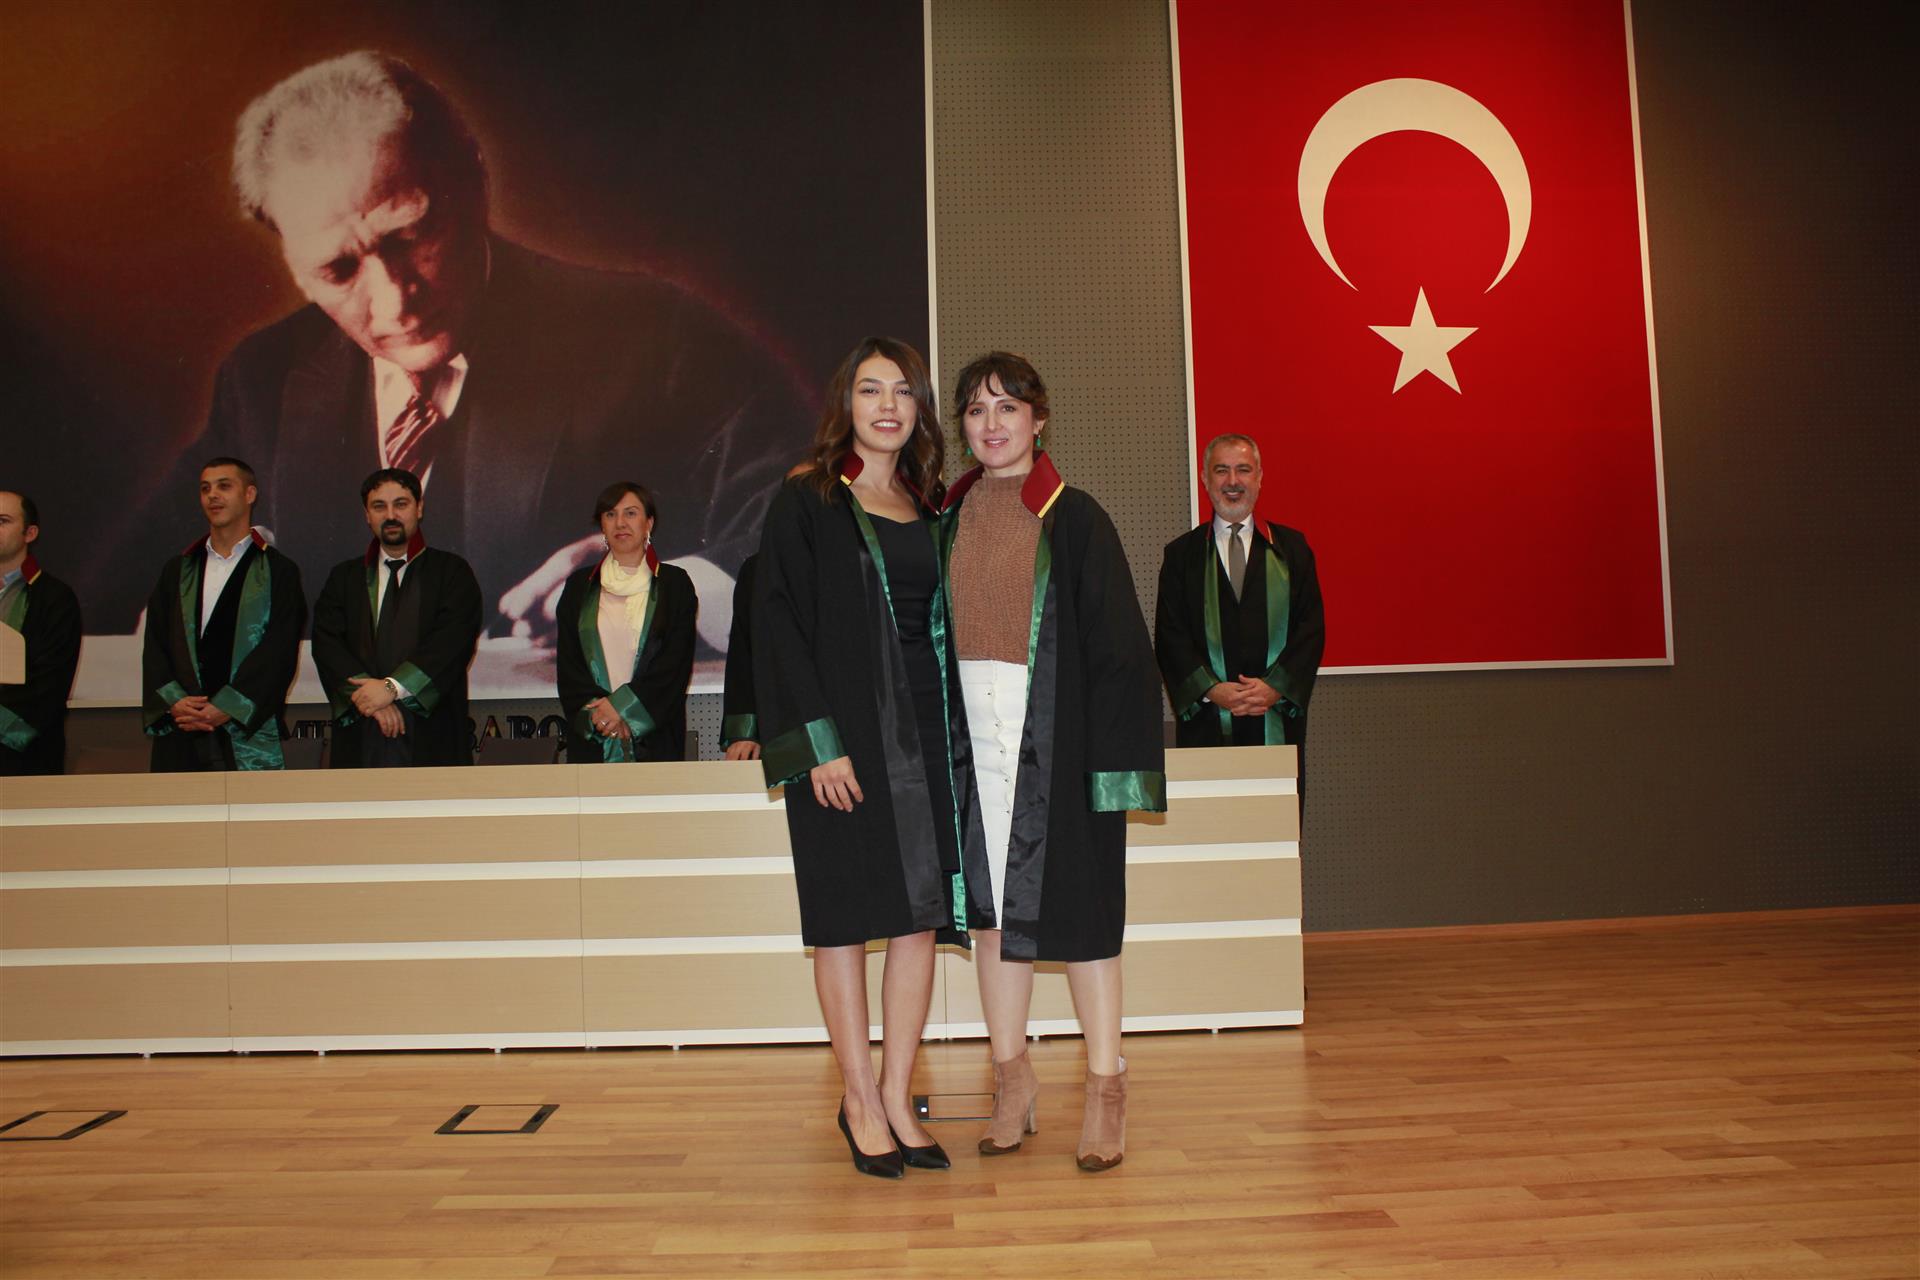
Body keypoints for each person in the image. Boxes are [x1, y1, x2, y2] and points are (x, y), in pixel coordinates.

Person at [102, 51, 802, 654]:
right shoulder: (262, 377)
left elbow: (808, 518)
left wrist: (672, 591)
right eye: (338, 270)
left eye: (410, 234)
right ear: (291, 263)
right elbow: (119, 594)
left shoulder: (658, 335)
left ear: (473, 178)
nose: (394, 301)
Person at [753, 337, 989, 1178]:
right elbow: (777, 625)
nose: (887, 405)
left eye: (901, 391)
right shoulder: (808, 498)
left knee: (919, 917)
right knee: (847, 922)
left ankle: (895, 1093)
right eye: (869, 389)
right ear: (844, 404)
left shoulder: (930, 505)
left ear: (919, 408)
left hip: (927, 735)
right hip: (843, 744)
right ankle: (857, 1099)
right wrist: (819, 744)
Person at [939, 351, 1166, 1172]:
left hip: (1057, 748)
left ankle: (1107, 1089)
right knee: (992, 921)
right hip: (972, 749)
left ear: (1039, 420)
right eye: (976, 410)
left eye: (1008, 407)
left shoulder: (1077, 520)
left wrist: (1114, 774)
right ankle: (1013, 1083)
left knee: (1086, 923)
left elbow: (1121, 655)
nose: (991, 423)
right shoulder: (944, 519)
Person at [1154, 432, 1325, 794]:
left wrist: (1276, 687)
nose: (1232, 481)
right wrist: (1212, 690)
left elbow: (1310, 630)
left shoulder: (1292, 550)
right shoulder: (1181, 556)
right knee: (1212, 820)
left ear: (1259, 478)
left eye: (1243, 470)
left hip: (1275, 718)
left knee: (1274, 820)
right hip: (1206, 723)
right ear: (1205, 479)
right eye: (1222, 470)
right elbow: (1170, 637)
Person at [140, 459, 306, 771]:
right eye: (205, 489)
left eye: (224, 486)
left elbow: (279, 650)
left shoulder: (277, 571)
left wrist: (229, 706)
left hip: (245, 730)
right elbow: (156, 644)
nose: (213, 495)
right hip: (183, 726)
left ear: (250, 494)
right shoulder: (178, 570)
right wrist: (175, 700)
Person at [311, 468, 482, 767]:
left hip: (432, 731)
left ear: (419, 508)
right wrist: (372, 700)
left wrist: (391, 688)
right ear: (367, 515)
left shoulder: (451, 572)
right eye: (379, 506)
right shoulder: (344, 578)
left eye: (401, 504)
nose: (390, 515)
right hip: (362, 727)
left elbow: (452, 643)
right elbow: (327, 646)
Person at [553, 482, 696, 762]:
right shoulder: (579, 586)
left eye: (631, 513)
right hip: (594, 737)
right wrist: (602, 717)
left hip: (655, 738)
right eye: (610, 514)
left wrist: (624, 709)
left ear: (648, 523)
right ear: (602, 526)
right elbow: (569, 664)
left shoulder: (674, 584)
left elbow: (674, 663)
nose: (620, 523)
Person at [0, 492, 82, 776]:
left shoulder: (55, 598)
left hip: (22, 757)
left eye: (3, 521)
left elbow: (49, 684)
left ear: (30, 533)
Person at [719, 553, 760, 760]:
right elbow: (743, 651)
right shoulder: (759, 569)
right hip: (781, 729)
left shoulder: (852, 561)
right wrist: (745, 730)